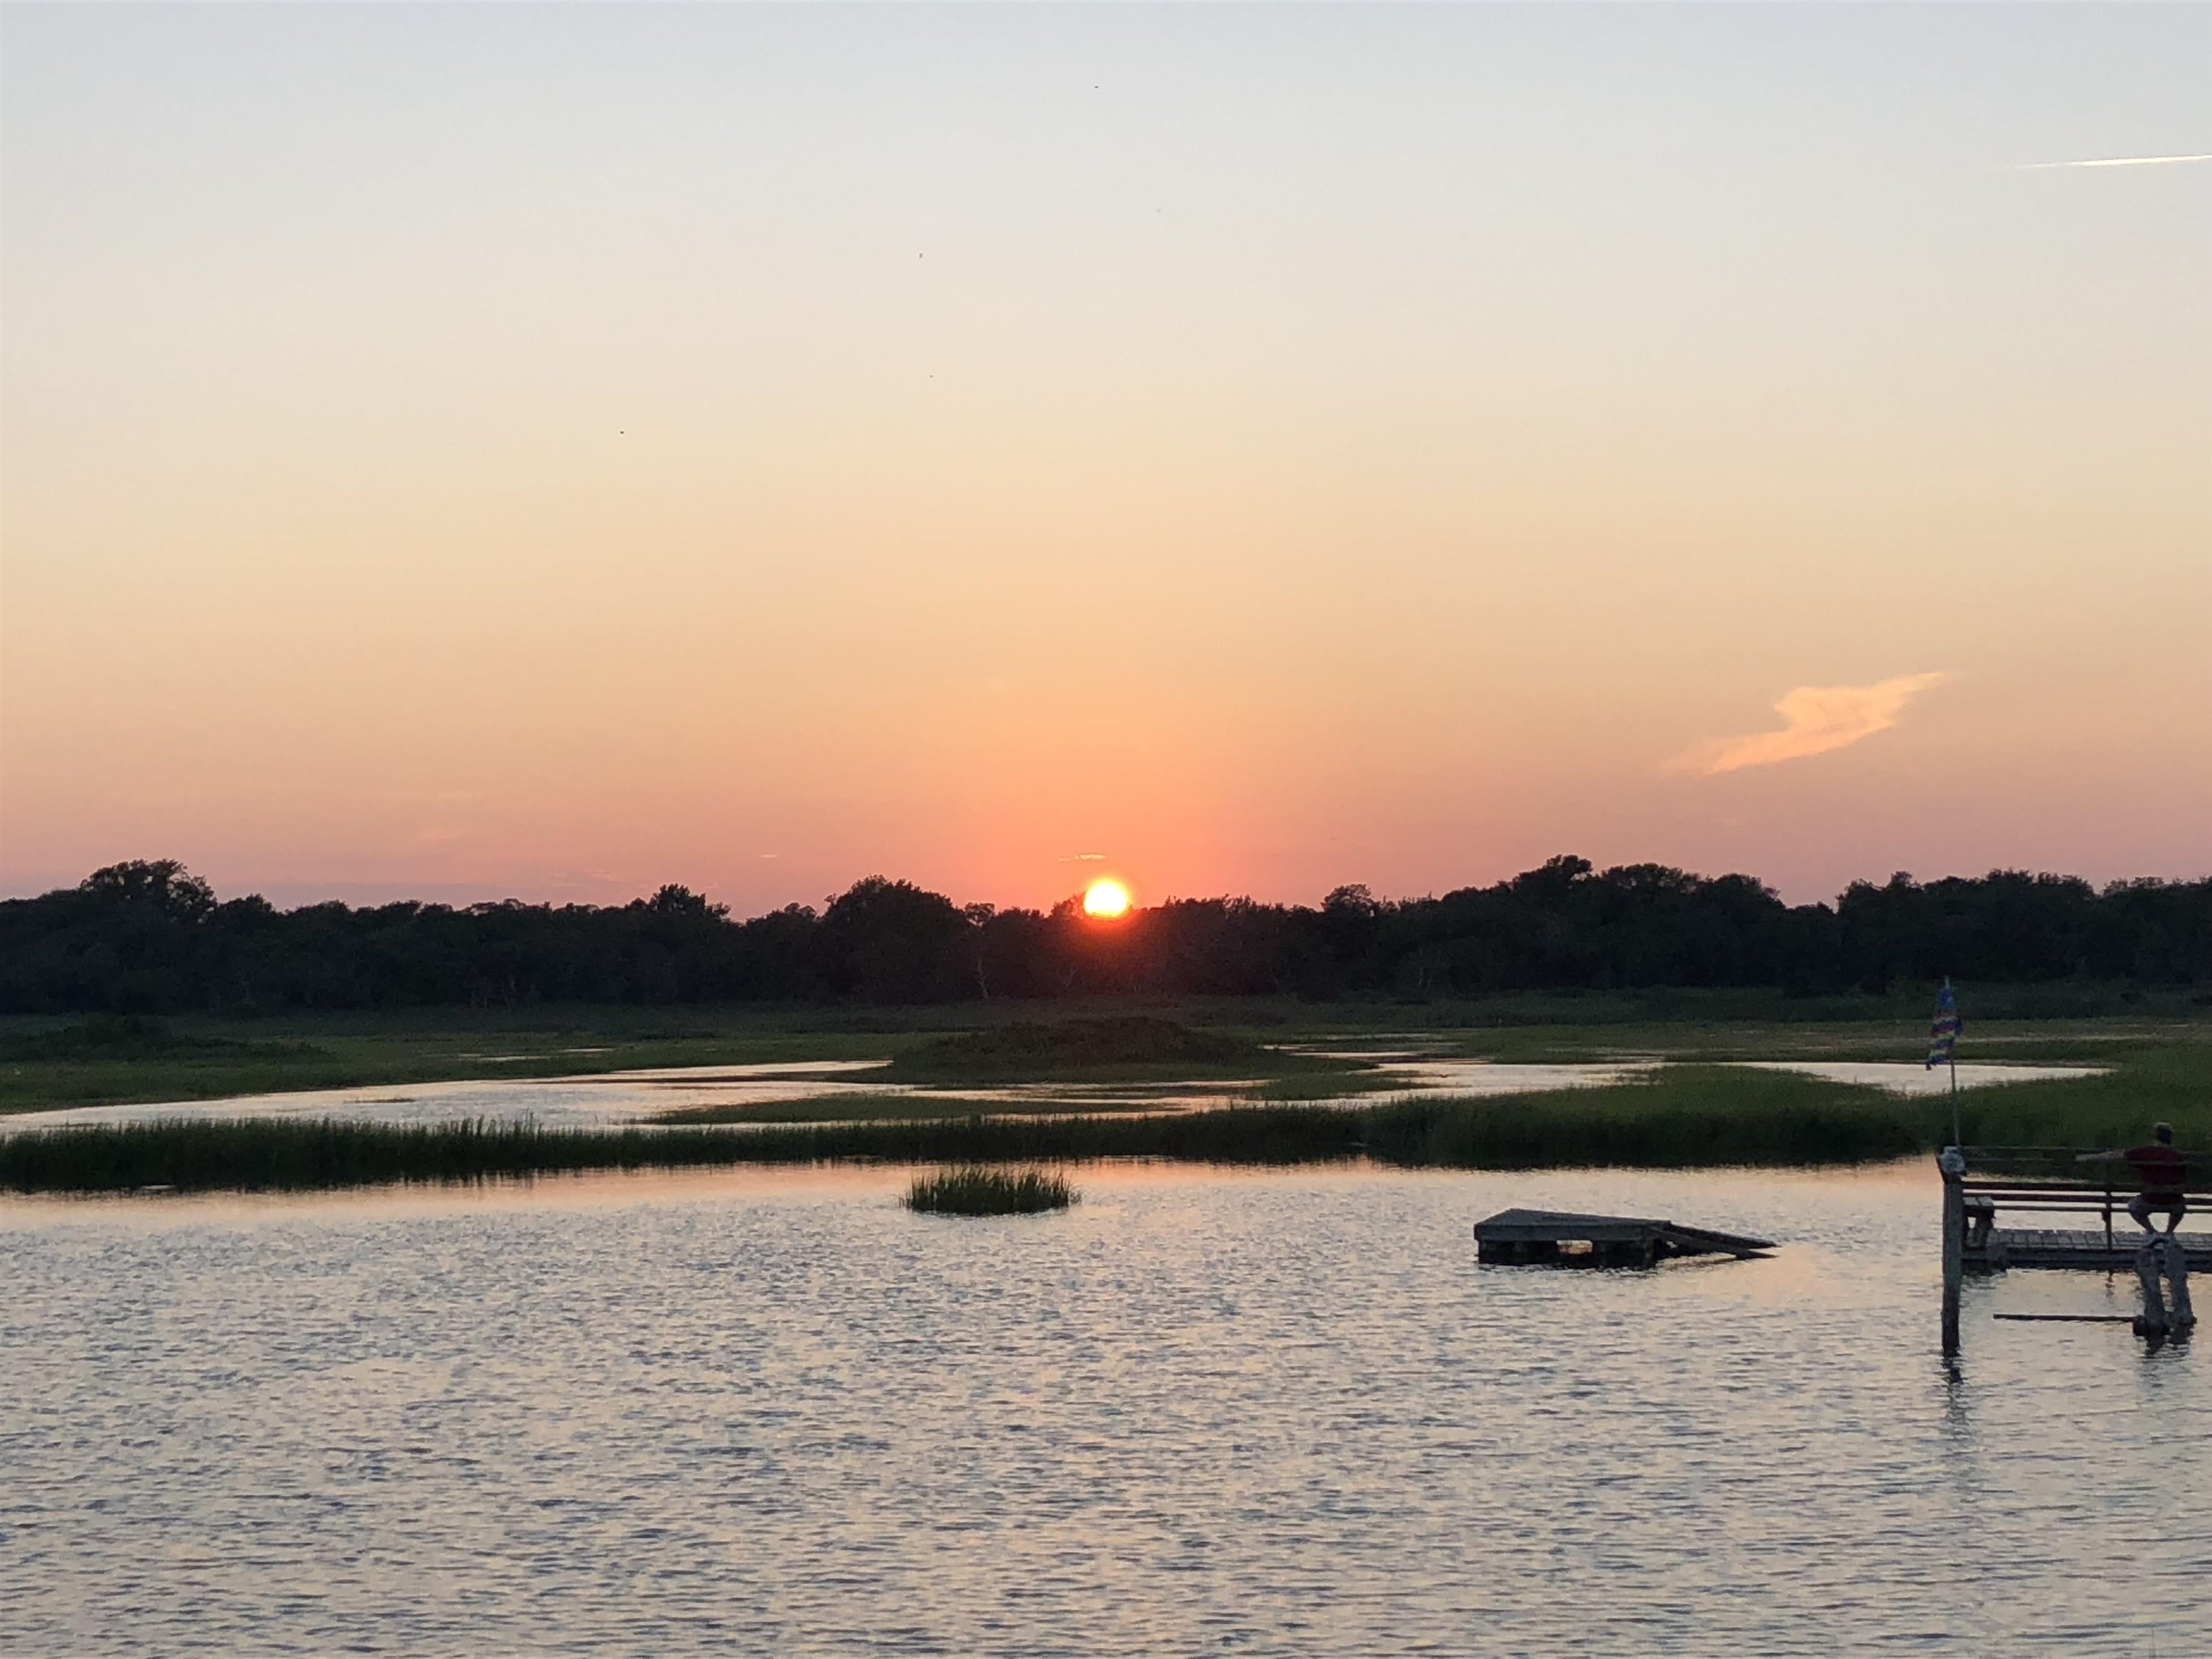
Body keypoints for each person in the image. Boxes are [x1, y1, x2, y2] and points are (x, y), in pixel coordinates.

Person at [2079, 1123, 2188, 1236]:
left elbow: (2116, 1156)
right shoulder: (2179, 1156)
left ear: (2154, 1137)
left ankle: (2151, 1232)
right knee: (2180, 1207)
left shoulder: (2145, 1152)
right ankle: (2169, 1233)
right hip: (2173, 1201)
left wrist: (2088, 1158)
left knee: (2133, 1206)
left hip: (2149, 1199)